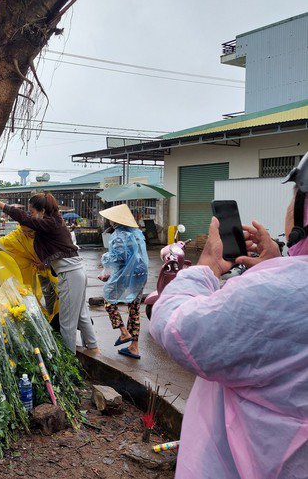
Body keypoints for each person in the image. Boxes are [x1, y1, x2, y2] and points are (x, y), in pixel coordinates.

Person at [149, 152, 308, 479]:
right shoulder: (280, 284)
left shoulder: (274, 291)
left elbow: (175, 326)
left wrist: (206, 268)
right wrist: (275, 266)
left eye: (294, 196)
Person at [0, 191, 98, 353]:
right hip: (77, 272)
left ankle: (70, 357)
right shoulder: (55, 221)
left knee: (67, 323)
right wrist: (44, 262)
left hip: (70, 275)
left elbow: (26, 219)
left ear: (41, 211)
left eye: (32, 212)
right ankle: (94, 348)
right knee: (82, 315)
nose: (31, 216)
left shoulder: (49, 223)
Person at [98, 204, 148, 359]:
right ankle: (134, 347)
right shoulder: (137, 233)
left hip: (126, 275)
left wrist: (105, 259)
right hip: (141, 274)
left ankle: (124, 333)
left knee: (108, 300)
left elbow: (119, 258)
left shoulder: (119, 235)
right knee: (134, 309)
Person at [0, 224, 60, 326]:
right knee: (44, 306)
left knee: (57, 306)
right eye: (26, 232)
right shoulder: (18, 236)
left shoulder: (45, 232)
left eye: (31, 231)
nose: (30, 234)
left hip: (52, 274)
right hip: (34, 276)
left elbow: (60, 252)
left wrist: (46, 264)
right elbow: (0, 244)